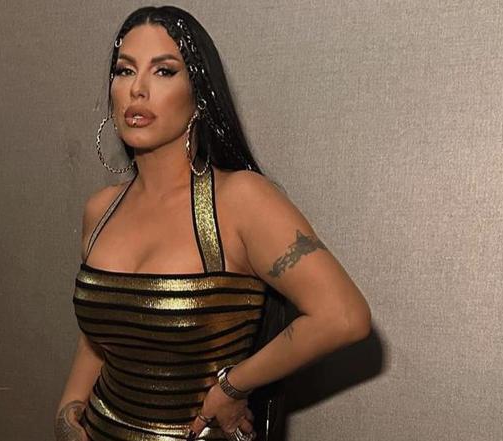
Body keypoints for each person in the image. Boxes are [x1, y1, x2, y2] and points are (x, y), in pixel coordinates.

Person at [55, 6, 371, 441]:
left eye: (164, 71)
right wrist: (68, 408)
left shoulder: (240, 200)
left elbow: (343, 315)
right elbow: (100, 336)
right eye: (124, 70)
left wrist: (234, 385)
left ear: (199, 92)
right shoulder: (101, 208)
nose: (137, 89)